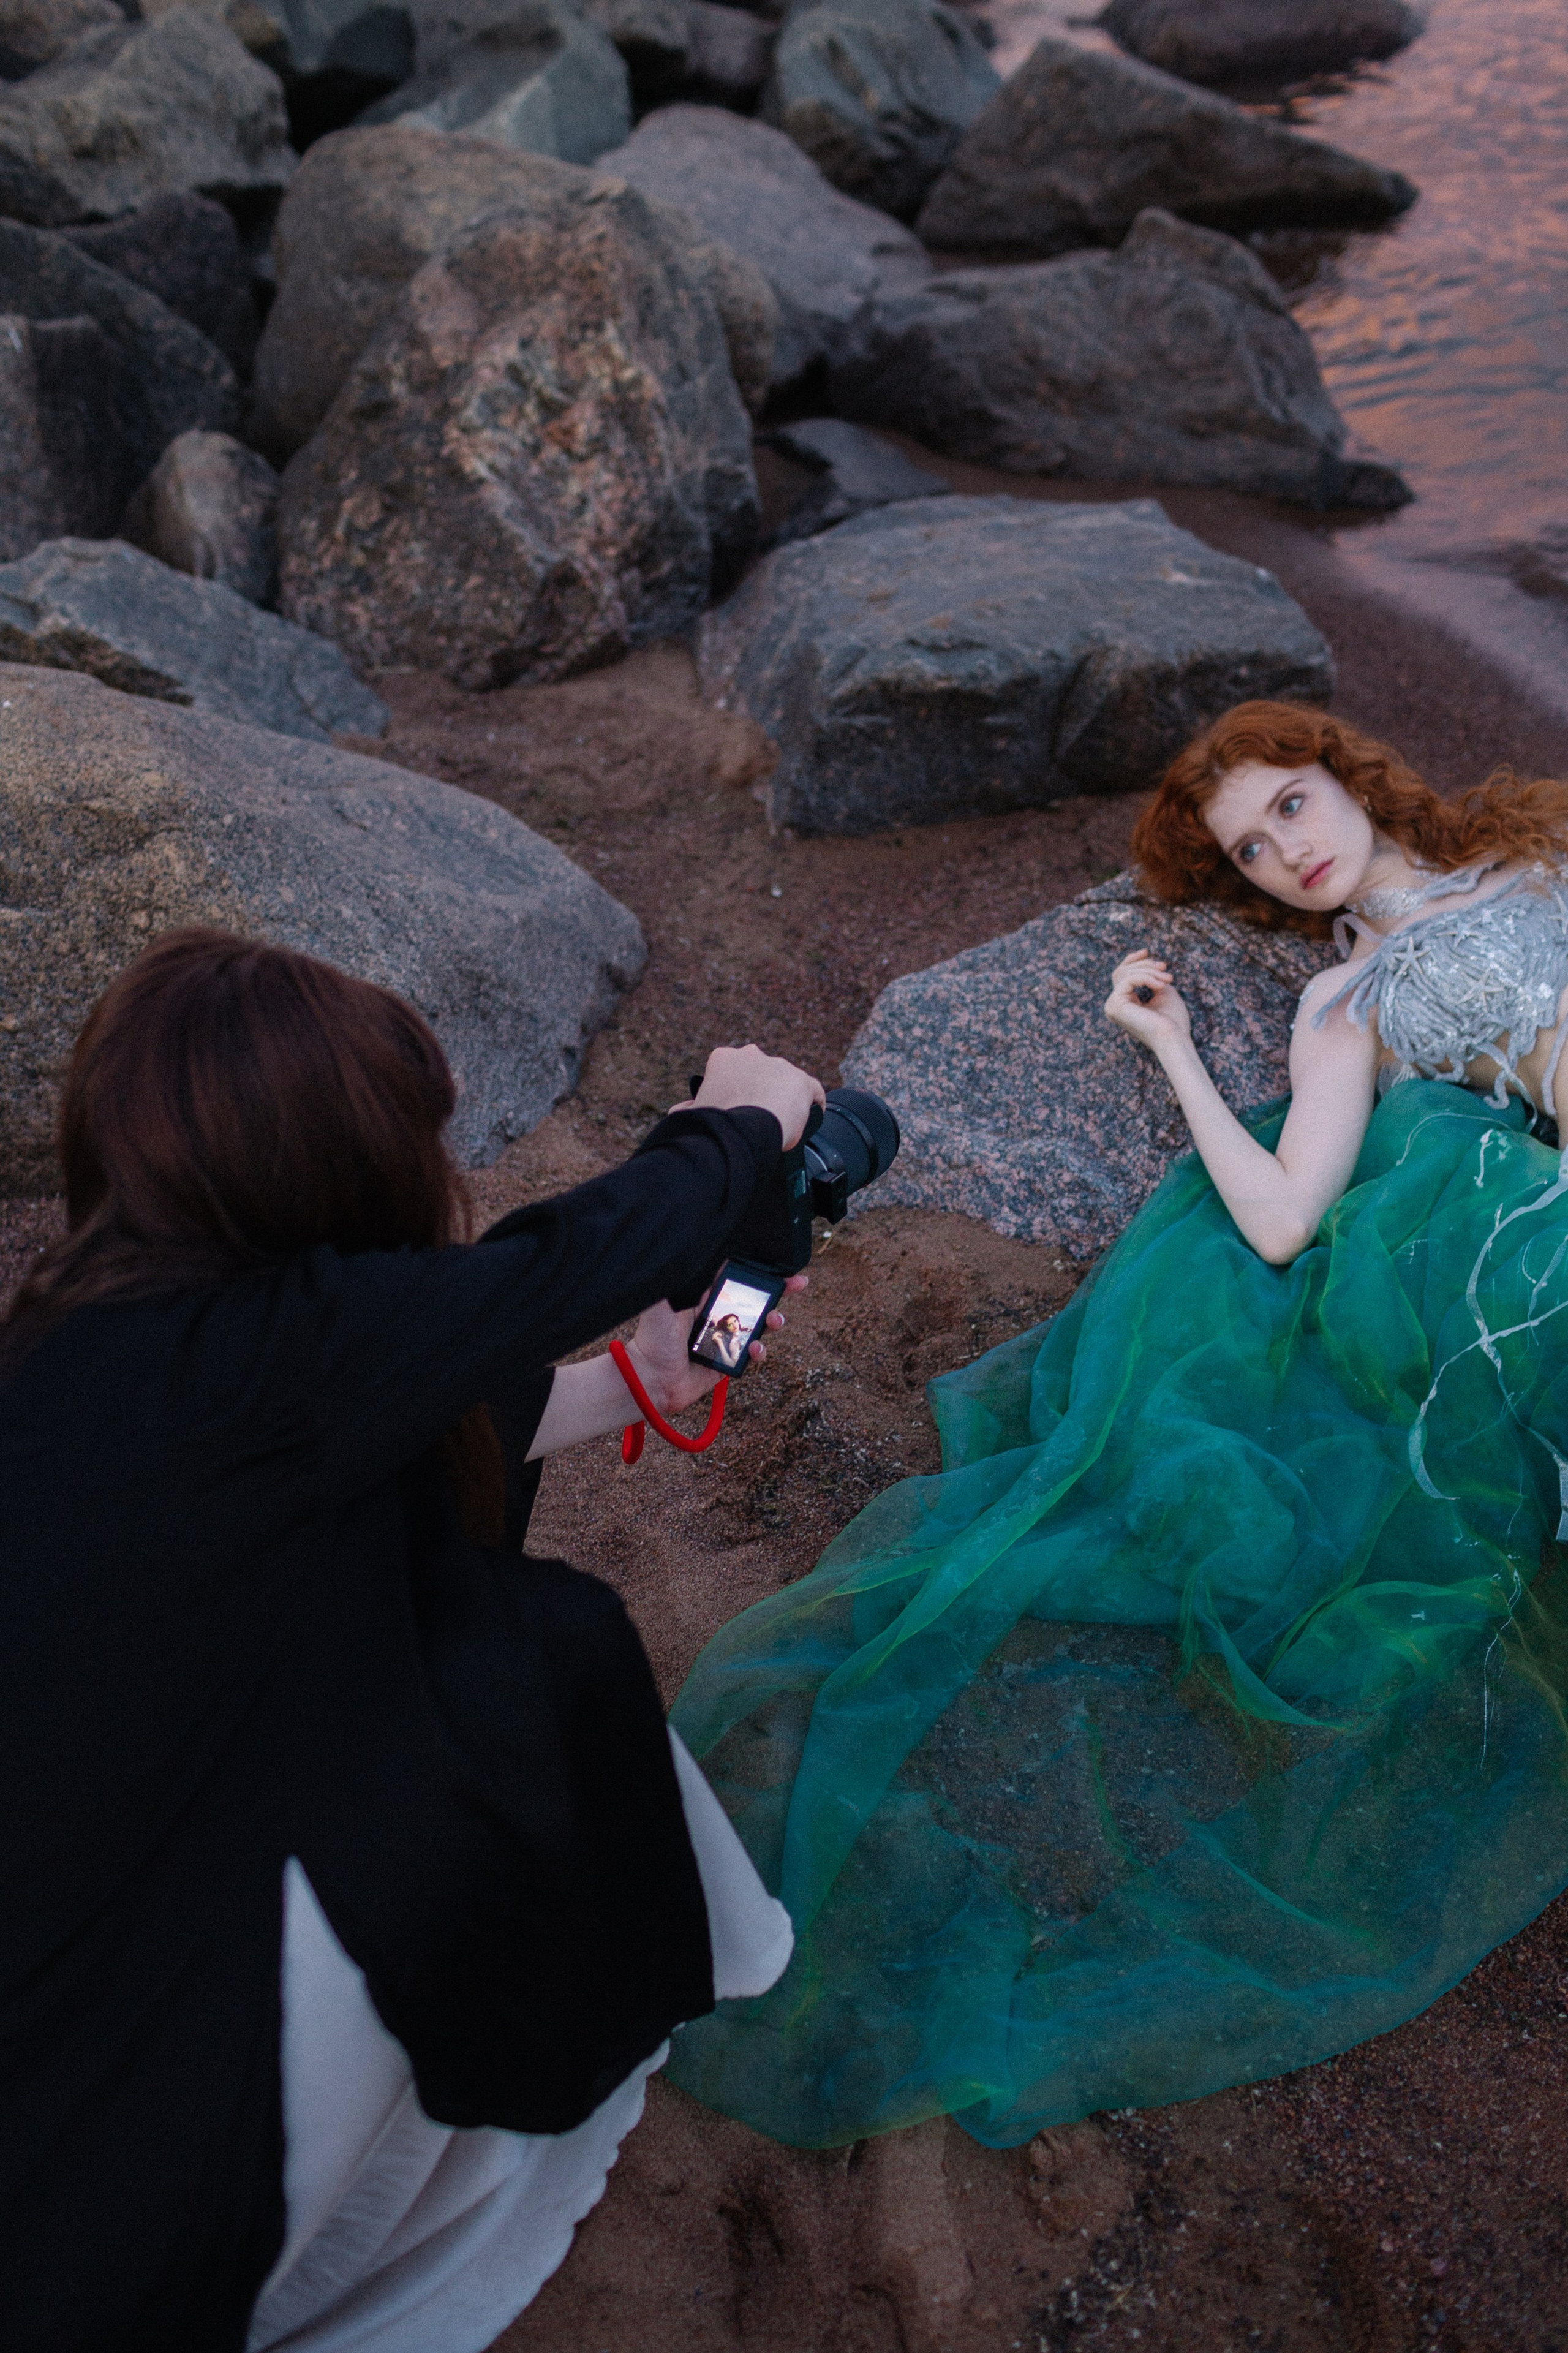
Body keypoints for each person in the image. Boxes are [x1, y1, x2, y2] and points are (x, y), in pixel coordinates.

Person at [659, 702, 1568, 2157]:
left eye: (1287, 803)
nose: (1284, 852)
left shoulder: (1536, 847)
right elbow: (1279, 1221)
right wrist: (1170, 1052)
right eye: (1248, 850)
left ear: (1343, 768)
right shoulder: (1342, 1003)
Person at [0, 926, 824, 2353]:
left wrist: (638, 1377)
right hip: (131, 2051)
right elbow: (570, 1257)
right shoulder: (270, 1354)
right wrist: (743, 1120)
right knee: (536, 1665)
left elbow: (398, 1407)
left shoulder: (111, 1334)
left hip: (86, 1871)